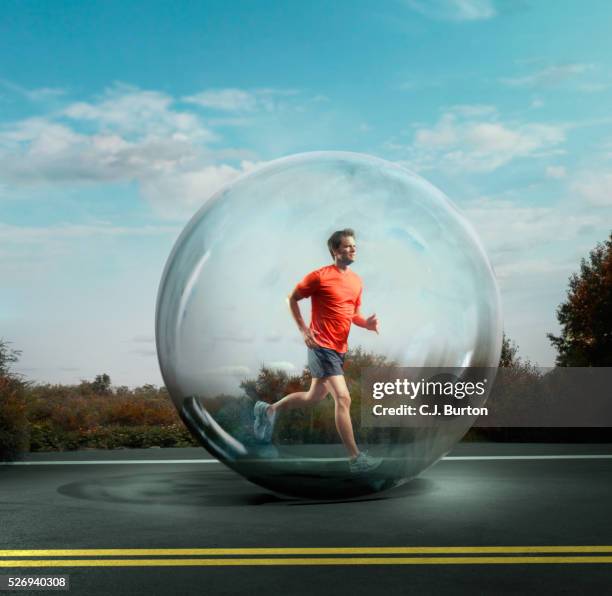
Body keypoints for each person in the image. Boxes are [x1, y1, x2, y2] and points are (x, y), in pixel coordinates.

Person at [253, 228, 381, 473]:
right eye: (347, 246)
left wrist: (367, 324)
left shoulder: (356, 281)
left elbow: (351, 313)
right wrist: (303, 330)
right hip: (321, 345)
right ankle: (356, 460)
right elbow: (292, 298)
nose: (353, 249)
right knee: (343, 398)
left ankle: (268, 409)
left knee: (314, 397)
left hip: (339, 348)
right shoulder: (319, 277)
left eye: (354, 246)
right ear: (335, 250)